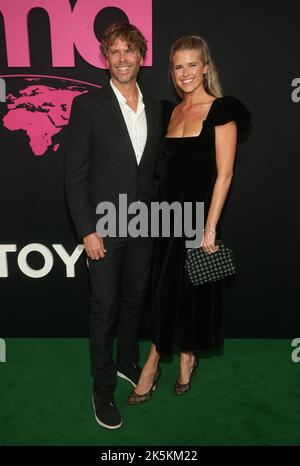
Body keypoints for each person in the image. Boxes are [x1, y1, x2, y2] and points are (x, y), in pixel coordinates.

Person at [128, 35, 251, 404]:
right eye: (178, 66)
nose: (185, 73)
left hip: (199, 221)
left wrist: (210, 228)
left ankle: (170, 360)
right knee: (165, 292)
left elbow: (224, 175)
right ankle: (170, 357)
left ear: (206, 67)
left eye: (192, 65)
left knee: (192, 294)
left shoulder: (222, 110)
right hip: (167, 219)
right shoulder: (170, 111)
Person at [65, 22, 162, 429]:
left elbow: (156, 171)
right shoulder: (88, 106)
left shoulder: (157, 108)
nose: (122, 59)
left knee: (135, 300)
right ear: (106, 58)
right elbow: (75, 175)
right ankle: (102, 388)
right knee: (103, 308)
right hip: (103, 227)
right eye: (115, 52)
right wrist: (87, 229)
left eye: (130, 51)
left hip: (146, 224)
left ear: (141, 56)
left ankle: (125, 360)